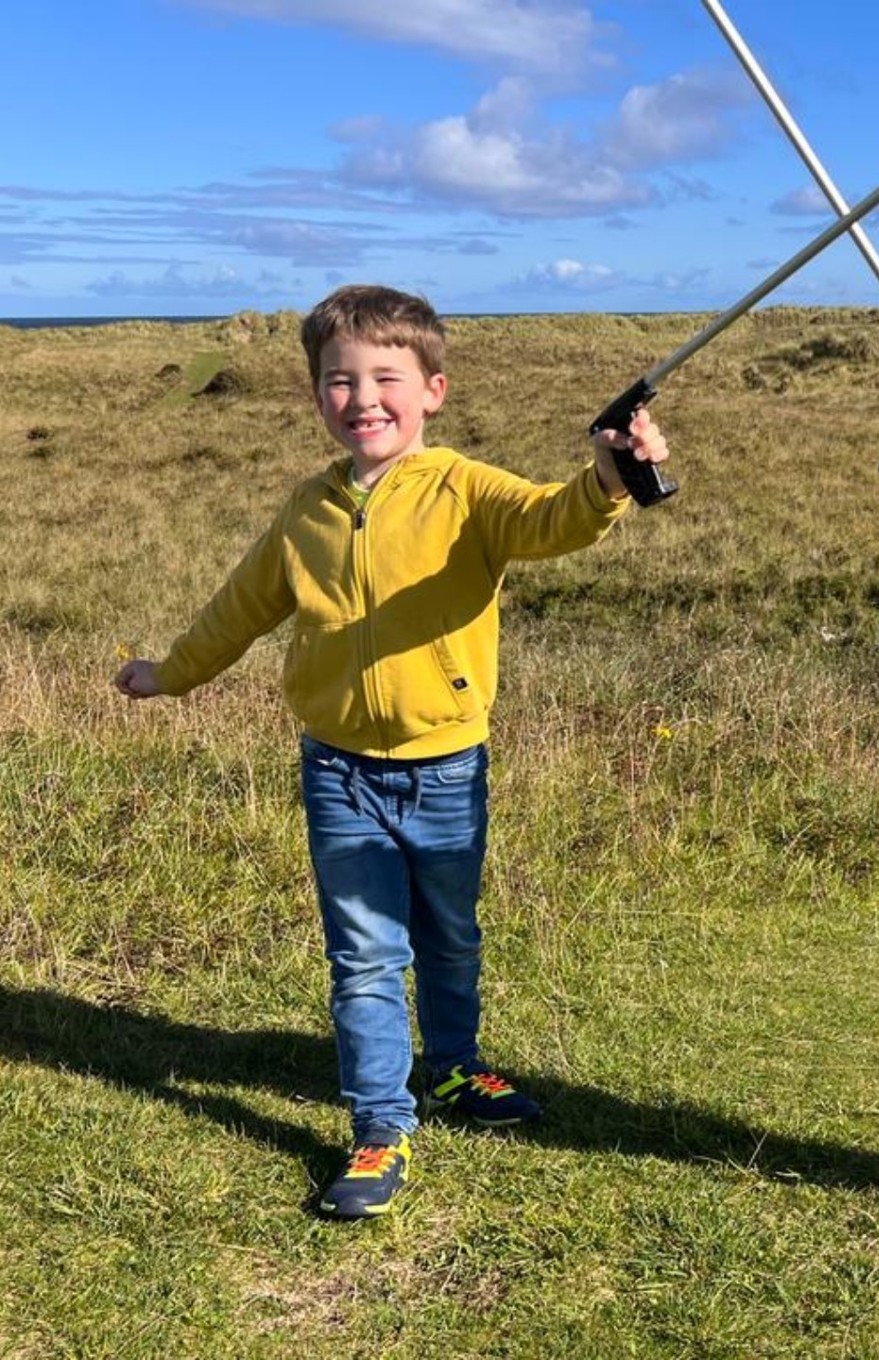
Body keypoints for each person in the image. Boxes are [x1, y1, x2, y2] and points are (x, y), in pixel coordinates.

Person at [114, 284, 671, 1220]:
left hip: (448, 768)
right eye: (339, 380)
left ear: (434, 389)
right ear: (316, 397)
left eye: (385, 377)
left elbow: (552, 518)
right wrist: (170, 674)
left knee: (449, 935)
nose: (362, 397)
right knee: (367, 955)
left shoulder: (468, 489)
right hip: (337, 771)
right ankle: (380, 1126)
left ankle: (455, 1069)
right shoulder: (307, 512)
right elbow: (239, 610)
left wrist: (611, 480)